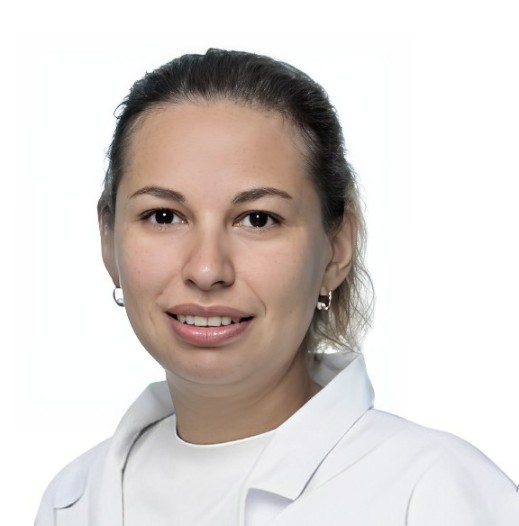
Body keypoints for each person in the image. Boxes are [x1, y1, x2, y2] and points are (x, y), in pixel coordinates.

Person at [35, 49, 517, 525]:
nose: (207, 269)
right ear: (108, 241)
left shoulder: (436, 493)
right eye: (163, 216)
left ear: (336, 249)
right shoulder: (73, 500)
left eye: (257, 219)